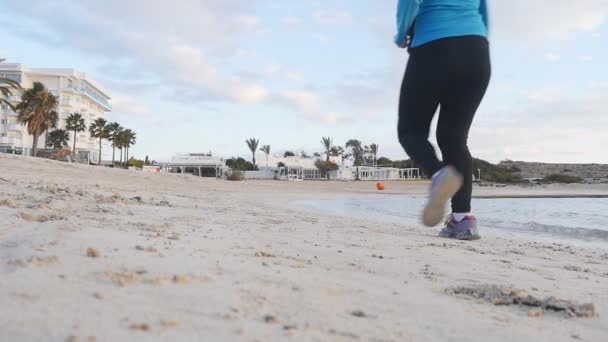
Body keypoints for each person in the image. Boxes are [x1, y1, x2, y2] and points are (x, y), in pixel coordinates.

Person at [394, 0, 490, 240]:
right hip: (477, 50)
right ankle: (462, 220)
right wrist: (479, 38)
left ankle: (439, 174)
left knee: (410, 131)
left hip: (433, 46)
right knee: (454, 138)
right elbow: (483, 10)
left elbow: (410, 1)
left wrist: (402, 33)